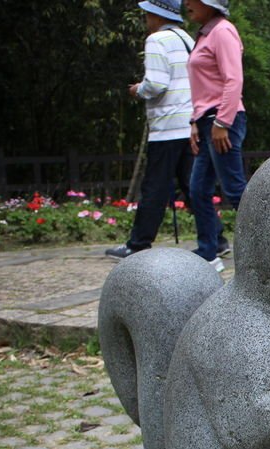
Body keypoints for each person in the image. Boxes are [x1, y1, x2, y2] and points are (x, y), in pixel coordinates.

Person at [106, 0, 195, 260]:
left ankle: (138, 243)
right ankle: (217, 238)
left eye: (147, 14)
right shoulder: (187, 39)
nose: (146, 19)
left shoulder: (157, 40)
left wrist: (138, 90)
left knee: (155, 186)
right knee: (192, 187)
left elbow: (156, 84)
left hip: (166, 127)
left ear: (156, 15)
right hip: (189, 125)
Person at [184, 0, 247, 273]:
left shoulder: (223, 31)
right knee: (198, 189)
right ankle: (208, 251)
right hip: (207, 120)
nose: (186, 3)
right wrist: (195, 122)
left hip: (223, 119)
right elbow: (203, 87)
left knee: (234, 190)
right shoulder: (205, 34)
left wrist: (222, 121)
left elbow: (234, 79)